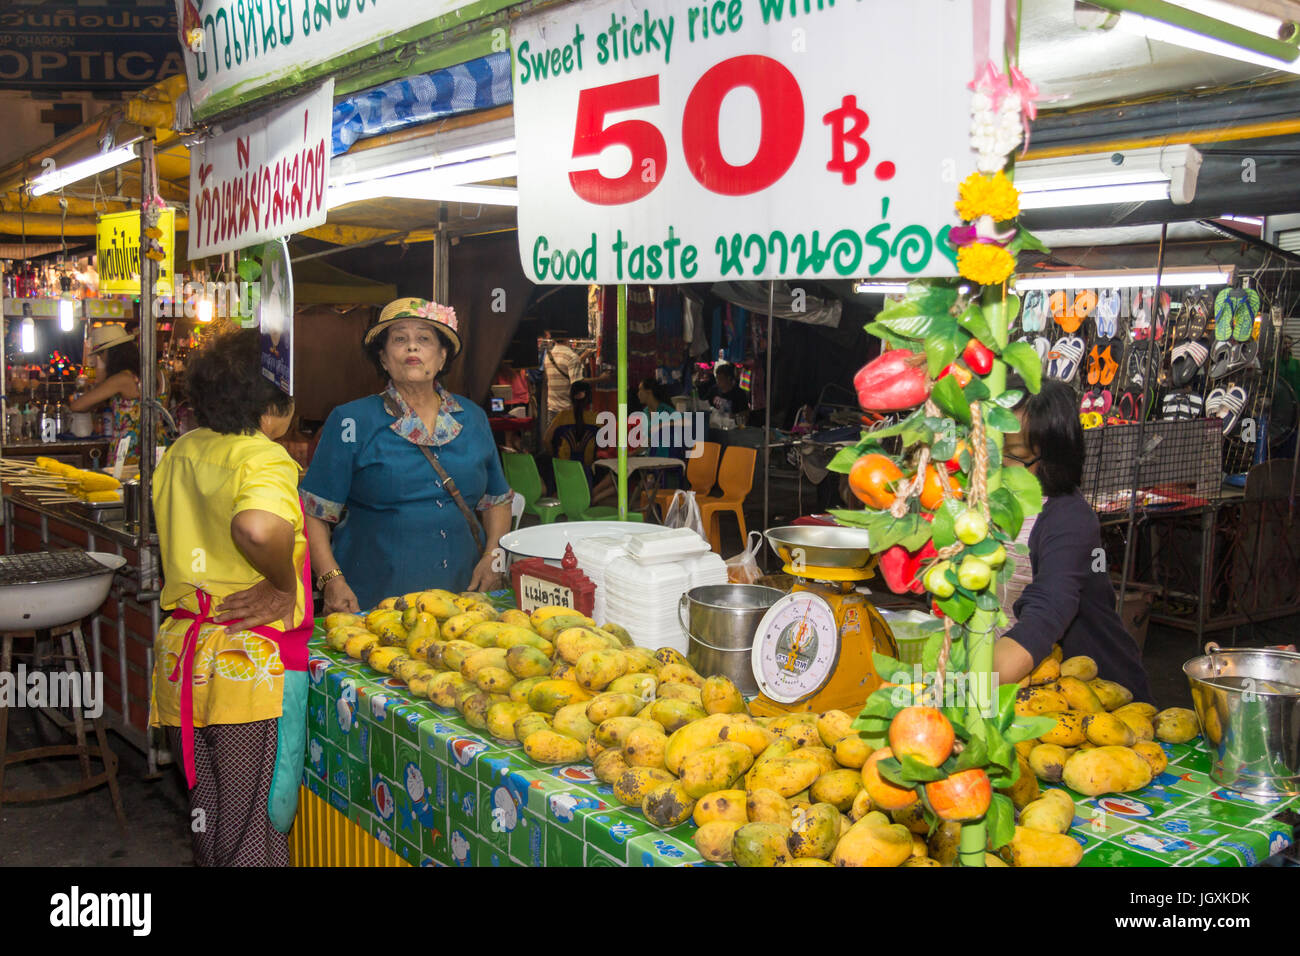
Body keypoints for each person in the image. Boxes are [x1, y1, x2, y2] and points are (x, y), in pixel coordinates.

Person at [150, 327, 309, 866]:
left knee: (209, 810)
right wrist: (283, 585)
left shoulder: (184, 448)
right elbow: (258, 529)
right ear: (271, 404)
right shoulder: (263, 458)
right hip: (244, 666)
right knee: (250, 829)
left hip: (183, 657)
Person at [302, 298, 513, 613]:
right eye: (400, 339)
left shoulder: (473, 417)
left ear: (442, 357)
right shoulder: (351, 420)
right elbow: (314, 512)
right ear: (384, 359)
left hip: (465, 595)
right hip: (374, 595)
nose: (412, 347)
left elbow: (497, 500)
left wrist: (494, 558)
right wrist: (331, 579)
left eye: (424, 339)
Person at [993, 378, 1154, 702]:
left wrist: (964, 688)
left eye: (1015, 454)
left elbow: (1044, 614)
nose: (997, 465)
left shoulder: (1069, 520)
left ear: (1053, 458)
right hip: (1013, 685)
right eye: (991, 449)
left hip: (1095, 701)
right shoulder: (985, 500)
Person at [69, 325, 144, 466]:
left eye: (101, 354)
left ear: (110, 353)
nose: (101, 359)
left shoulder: (120, 379)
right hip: (150, 444)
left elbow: (77, 405)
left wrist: (101, 374)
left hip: (128, 449)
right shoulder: (145, 374)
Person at [541, 331, 595, 431]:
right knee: (569, 444)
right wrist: (602, 379)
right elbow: (578, 386)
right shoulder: (571, 356)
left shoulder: (548, 356)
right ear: (567, 337)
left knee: (554, 442)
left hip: (552, 409)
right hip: (568, 411)